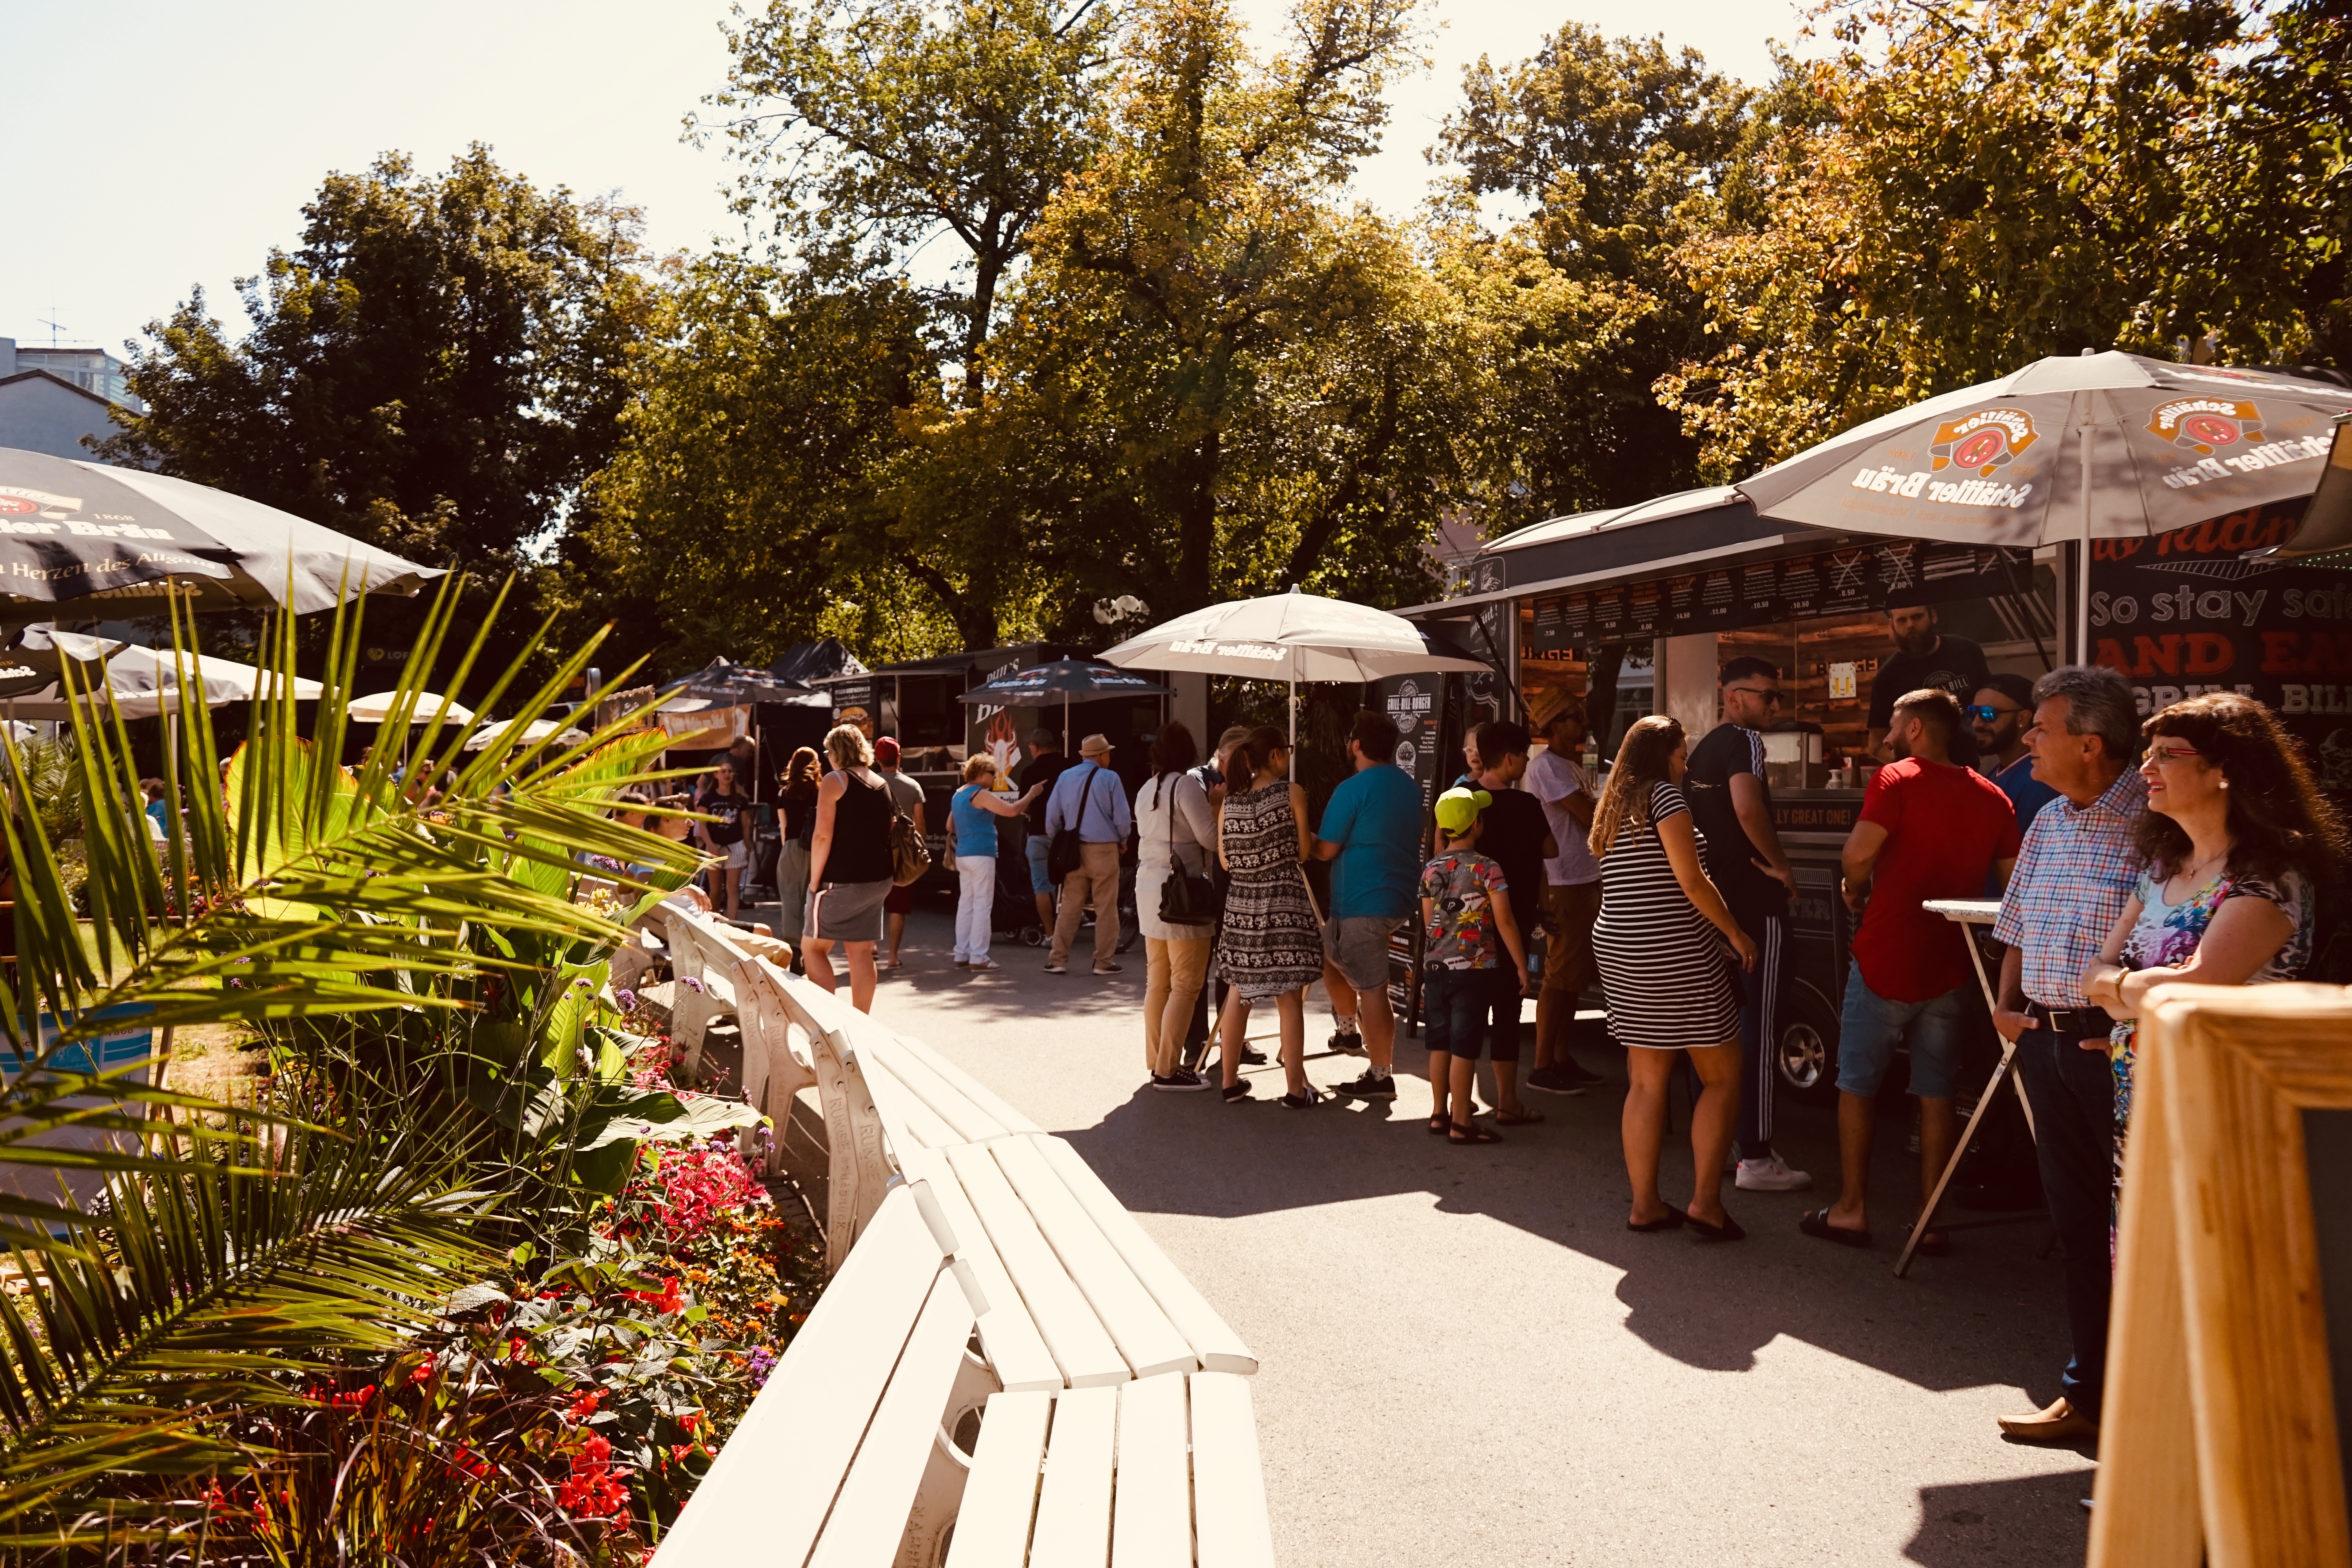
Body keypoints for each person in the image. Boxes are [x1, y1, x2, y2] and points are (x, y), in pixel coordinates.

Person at [2083, 693, 2340, 1246]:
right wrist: (2137, 992)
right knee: (2144, 1277)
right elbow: (2092, 973)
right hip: (2144, 1110)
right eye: (2147, 754)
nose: (2145, 769)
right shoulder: (2161, 868)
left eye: (2166, 755)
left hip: (2225, 1113)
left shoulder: (2271, 875)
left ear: (2225, 770)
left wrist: (2121, 991)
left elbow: (2194, 991)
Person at [1989, 666, 2148, 1445]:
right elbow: (2016, 921)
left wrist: (2118, 1029)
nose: (2028, 739)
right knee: (2080, 1225)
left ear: (2090, 743)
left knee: (2138, 1233)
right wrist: (2008, 1005)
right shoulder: (2049, 818)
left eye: (2041, 728)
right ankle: (2088, 1392)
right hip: (2043, 1042)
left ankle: (2146, 1407)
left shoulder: (2156, 823)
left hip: (2110, 1048)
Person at [1800, 690, 2020, 1252]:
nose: (1888, 737)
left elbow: (1855, 855)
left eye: (1895, 726)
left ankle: (1852, 1209)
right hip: (1950, 962)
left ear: (1918, 728)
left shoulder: (1896, 779)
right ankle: (1931, 1218)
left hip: (1887, 954)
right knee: (1936, 1091)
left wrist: (1856, 890)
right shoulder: (1994, 797)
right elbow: (2013, 883)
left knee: (1857, 1085)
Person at [1590, 716, 1758, 1240]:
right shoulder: (1666, 797)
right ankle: (1706, 1204)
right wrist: (1736, 933)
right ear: (1662, 756)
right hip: (1674, 948)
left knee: (1645, 1080)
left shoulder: (1614, 805)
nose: (1686, 766)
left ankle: (1645, 1205)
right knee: (1723, 1075)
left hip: (1620, 948)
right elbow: (1692, 879)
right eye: (1682, 756)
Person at [1683, 657, 1810, 1193]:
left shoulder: (1700, 751)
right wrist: (1780, 864)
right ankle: (1756, 1155)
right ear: (1734, 697)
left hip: (1714, 906)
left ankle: (1714, 1138)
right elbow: (1747, 807)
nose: (1776, 706)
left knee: (1713, 1024)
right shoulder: (1744, 741)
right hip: (1754, 905)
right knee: (1760, 1024)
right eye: (1768, 696)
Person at [1309, 709, 1421, 1101]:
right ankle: (1347, 1031)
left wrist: (1299, 833)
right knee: (1329, 952)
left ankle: (1380, 1074)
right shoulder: (1408, 786)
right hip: (1397, 898)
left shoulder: (1352, 789)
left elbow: (1324, 850)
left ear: (1356, 744)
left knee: (1373, 990)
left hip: (1362, 902)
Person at [1211, 726, 1323, 1107]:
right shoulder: (1291, 793)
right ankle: (1295, 1088)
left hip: (1241, 904)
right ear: (1276, 754)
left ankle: (1229, 1082)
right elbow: (1305, 852)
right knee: (1288, 998)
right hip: (1283, 903)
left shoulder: (1230, 801)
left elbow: (1225, 860)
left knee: (1238, 993)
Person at [1419, 786, 1530, 1144]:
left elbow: (1428, 924)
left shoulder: (1430, 870)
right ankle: (1463, 1121)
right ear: (1477, 824)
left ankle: (1439, 1113)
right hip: (1473, 968)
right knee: (1465, 1046)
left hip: (1435, 967)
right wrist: (1520, 966)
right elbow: (1506, 921)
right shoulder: (1488, 868)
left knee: (1439, 1042)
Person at [1461, 720, 1553, 1126]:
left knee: (1466, 1015)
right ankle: (1507, 1102)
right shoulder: (1527, 806)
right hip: (1512, 922)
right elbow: (1550, 849)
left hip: (1466, 925)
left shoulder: (1462, 800)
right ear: (1511, 758)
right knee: (1507, 1012)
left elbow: (1439, 853)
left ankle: (1452, 1108)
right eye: (1526, 756)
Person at [1525, 699, 1606, 1093]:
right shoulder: (1545, 767)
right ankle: (1542, 1064)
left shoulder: (1569, 764)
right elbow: (1587, 813)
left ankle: (1560, 1056)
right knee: (1560, 976)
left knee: (1572, 977)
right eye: (1576, 718)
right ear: (1555, 725)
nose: (1583, 724)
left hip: (1583, 875)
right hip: (1565, 880)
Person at [1135, 721, 1217, 1089]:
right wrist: (1220, 805)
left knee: (1159, 980)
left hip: (1148, 888)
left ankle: (1157, 1061)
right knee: (1186, 983)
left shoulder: (1146, 788)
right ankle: (1168, 1070)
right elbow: (1210, 839)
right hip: (1181, 892)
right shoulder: (1185, 785)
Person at [805, 722, 897, 1013]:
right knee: (860, 951)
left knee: (813, 948)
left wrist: (814, 882)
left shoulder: (835, 780)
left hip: (841, 880)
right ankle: (862, 1022)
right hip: (878, 880)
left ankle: (827, 1021)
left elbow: (822, 836)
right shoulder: (881, 782)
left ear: (836, 752)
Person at [1183, 726, 1256, 1074]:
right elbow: (1214, 840)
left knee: (1233, 969)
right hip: (1204, 885)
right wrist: (1216, 806)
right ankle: (1196, 1041)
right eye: (1237, 761)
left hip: (1236, 886)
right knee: (1201, 967)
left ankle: (1233, 1037)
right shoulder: (1198, 781)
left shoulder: (1247, 783)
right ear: (1222, 758)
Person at [1043, 733, 1133, 975]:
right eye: (1108, 753)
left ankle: (1058, 960)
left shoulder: (1065, 777)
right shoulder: (1110, 778)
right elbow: (1123, 819)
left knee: (1070, 906)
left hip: (1074, 850)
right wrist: (1123, 841)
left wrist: (1059, 841)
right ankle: (1104, 962)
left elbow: (1052, 817)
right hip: (1104, 849)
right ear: (1102, 755)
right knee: (1106, 908)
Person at [1867, 601, 1992, 762]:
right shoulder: (1888, 677)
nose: (1911, 625)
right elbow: (1876, 745)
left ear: (1933, 616)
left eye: (1917, 617)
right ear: (1892, 625)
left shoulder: (1967, 652)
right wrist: (1917, 768)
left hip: (1981, 763)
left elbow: (1992, 703)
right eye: (1902, 620)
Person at [949, 754, 1038, 972]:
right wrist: (1032, 795)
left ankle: (962, 953)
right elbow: (1012, 811)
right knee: (982, 905)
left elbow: (949, 825)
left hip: (963, 854)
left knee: (967, 904)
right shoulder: (980, 794)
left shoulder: (958, 795)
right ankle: (979, 956)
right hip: (981, 854)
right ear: (980, 773)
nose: (995, 777)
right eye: (992, 773)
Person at [1971, 673, 2060, 830]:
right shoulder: (1996, 773)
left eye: (1988, 714)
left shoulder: (2039, 780)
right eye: (1973, 712)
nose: (1976, 723)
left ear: (2023, 719)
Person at [1015, 729, 1078, 931]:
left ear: (1035, 747)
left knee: (1042, 886)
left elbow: (1024, 807)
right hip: (1068, 836)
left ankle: (1050, 934)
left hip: (1038, 833)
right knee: (1072, 885)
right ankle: (1068, 931)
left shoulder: (1029, 772)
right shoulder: (1072, 768)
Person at [873, 737, 927, 971]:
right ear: (899, 757)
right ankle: (893, 956)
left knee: (871, 901)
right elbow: (920, 824)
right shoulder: (913, 786)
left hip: (874, 851)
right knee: (898, 906)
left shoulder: (870, 783)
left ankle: (871, 946)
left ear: (876, 759)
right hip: (902, 854)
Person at [776, 747, 822, 955]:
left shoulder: (784, 793)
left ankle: (793, 947)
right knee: (810, 898)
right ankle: (810, 944)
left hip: (792, 847)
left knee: (790, 898)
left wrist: (787, 848)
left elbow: (784, 828)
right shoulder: (820, 792)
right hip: (816, 848)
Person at [694, 758, 753, 920]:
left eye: (730, 771)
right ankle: (713, 922)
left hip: (736, 845)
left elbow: (746, 825)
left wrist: (748, 847)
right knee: (715, 890)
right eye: (723, 771)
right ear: (716, 775)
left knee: (732, 890)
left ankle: (732, 924)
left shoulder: (740, 799)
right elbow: (703, 825)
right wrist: (711, 846)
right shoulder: (708, 797)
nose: (727, 775)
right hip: (714, 845)